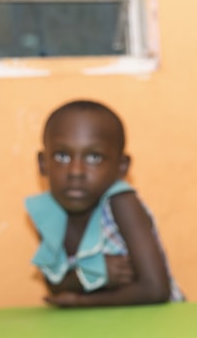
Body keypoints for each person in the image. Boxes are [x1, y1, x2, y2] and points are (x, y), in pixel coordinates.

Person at [27, 99, 184, 307]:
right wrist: (95, 273)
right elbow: (56, 285)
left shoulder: (121, 203)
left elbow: (155, 289)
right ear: (42, 163)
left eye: (94, 157)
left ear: (122, 167)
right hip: (104, 326)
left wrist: (81, 301)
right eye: (62, 156)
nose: (76, 172)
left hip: (156, 323)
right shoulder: (47, 212)